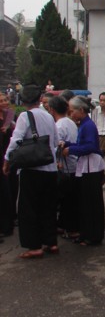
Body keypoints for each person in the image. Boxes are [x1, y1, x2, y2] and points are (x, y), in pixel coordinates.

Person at [3, 84, 59, 259]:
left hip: (32, 168)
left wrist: (7, 160)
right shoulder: (48, 116)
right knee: (48, 206)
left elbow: (16, 140)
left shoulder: (25, 116)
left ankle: (34, 246)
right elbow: (55, 141)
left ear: (23, 100)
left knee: (28, 208)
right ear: (39, 98)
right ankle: (50, 241)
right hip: (50, 167)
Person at [61, 96, 105, 246]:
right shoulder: (84, 124)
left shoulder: (88, 126)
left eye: (72, 111)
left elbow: (91, 146)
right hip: (87, 166)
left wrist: (71, 150)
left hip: (91, 167)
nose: (71, 114)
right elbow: (82, 144)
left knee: (92, 203)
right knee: (86, 202)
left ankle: (93, 235)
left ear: (81, 110)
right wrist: (68, 144)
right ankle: (86, 233)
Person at [48, 96, 79, 238]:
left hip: (65, 168)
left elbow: (57, 148)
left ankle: (68, 228)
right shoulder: (71, 122)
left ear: (52, 110)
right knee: (71, 199)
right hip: (74, 165)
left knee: (65, 200)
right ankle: (66, 226)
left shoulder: (59, 126)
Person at [0, 93, 15, 239]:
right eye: (1, 101)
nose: (4, 103)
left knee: (7, 191)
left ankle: (7, 225)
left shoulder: (10, 117)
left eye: (5, 100)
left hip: (8, 157)